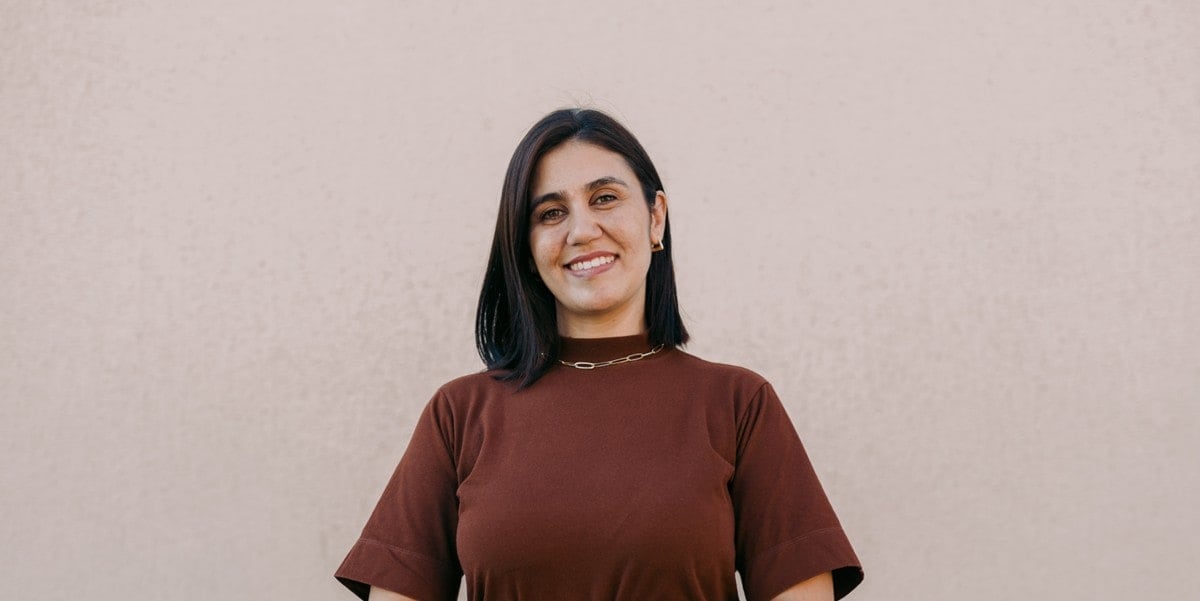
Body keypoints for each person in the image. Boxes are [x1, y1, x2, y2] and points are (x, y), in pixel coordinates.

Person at [335, 109, 864, 601]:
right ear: (526, 245)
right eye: (551, 212)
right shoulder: (460, 414)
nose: (581, 230)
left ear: (656, 217)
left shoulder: (738, 404)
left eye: (605, 198)